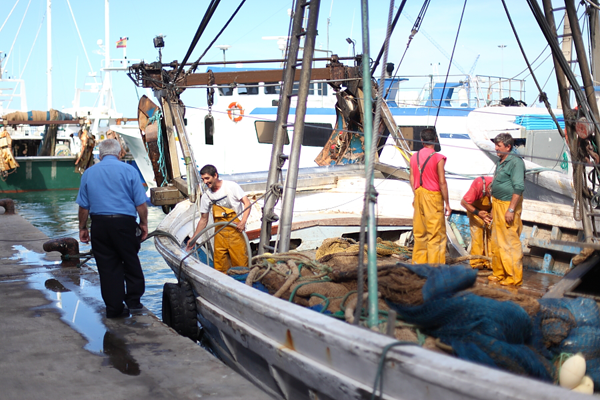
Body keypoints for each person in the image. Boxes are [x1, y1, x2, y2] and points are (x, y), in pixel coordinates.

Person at [76, 139, 148, 318]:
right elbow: (141, 204)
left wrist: (82, 228)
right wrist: (144, 223)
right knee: (130, 261)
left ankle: (114, 308)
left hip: (99, 224)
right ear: (120, 153)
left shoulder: (89, 173)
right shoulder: (130, 171)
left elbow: (83, 207)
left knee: (107, 267)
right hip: (124, 223)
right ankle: (133, 302)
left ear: (100, 155)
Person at [186, 164, 251, 273]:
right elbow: (203, 220)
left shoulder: (231, 186)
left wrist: (243, 222)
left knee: (241, 266)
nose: (205, 182)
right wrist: (194, 238)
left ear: (215, 175)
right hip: (220, 235)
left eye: (207, 178)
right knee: (220, 268)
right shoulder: (206, 196)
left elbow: (247, 203)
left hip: (236, 233)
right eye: (203, 179)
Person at [409, 128, 451, 264]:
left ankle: (419, 265)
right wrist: (447, 204)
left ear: (421, 140)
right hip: (433, 196)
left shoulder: (413, 157)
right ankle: (436, 267)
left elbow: (411, 177)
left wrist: (416, 194)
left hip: (419, 194)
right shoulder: (438, 158)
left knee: (420, 232)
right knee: (436, 234)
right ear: (435, 140)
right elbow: (442, 182)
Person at [489, 132, 525, 286]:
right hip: (497, 204)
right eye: (496, 145)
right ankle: (499, 273)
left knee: (509, 241)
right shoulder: (500, 161)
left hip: (507, 204)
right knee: (496, 241)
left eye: (499, 145)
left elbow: (518, 187)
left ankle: (513, 277)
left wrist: (511, 209)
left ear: (508, 146)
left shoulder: (515, 162)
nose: (496, 148)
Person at [460, 176, 494, 269]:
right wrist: (478, 213)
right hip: (475, 210)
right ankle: (477, 262)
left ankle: (490, 262)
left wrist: (492, 213)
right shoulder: (479, 184)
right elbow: (464, 202)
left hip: (489, 211)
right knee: (477, 235)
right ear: (487, 190)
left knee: (491, 236)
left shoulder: (500, 185)